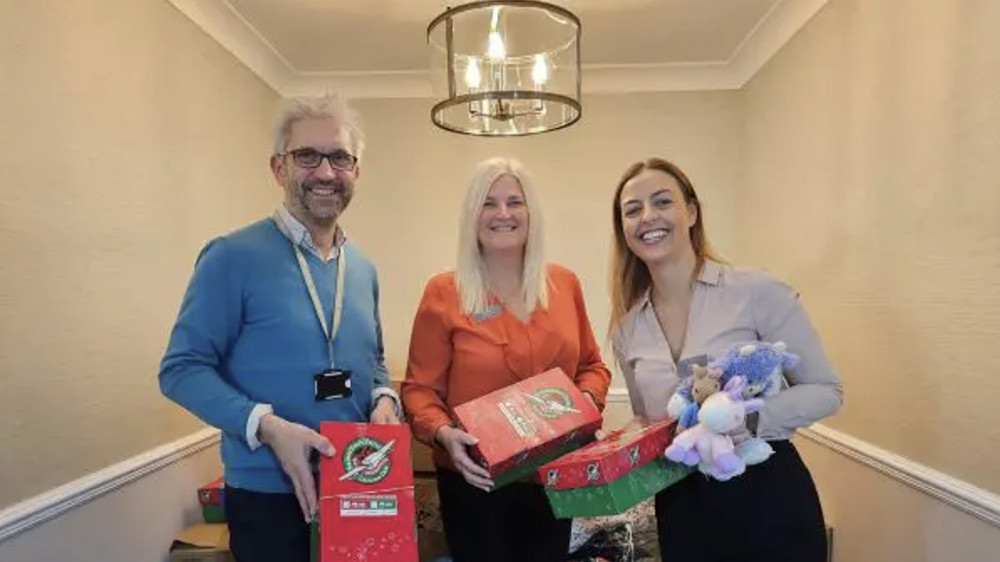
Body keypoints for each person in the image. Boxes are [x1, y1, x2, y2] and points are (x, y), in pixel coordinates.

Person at [159, 95, 401, 562]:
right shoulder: (231, 256)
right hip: (266, 493)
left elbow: (375, 364)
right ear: (278, 167)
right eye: (307, 156)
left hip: (355, 484)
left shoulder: (365, 269)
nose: (326, 173)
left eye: (339, 157)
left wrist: (385, 399)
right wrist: (267, 426)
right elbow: (180, 369)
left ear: (356, 171)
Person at [608, 157, 843, 562]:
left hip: (768, 498)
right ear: (624, 229)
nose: (648, 217)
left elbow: (826, 391)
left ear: (692, 213)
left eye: (662, 202)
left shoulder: (756, 291)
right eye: (633, 210)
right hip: (682, 510)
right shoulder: (626, 330)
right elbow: (650, 424)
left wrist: (747, 420)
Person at [402, 157, 612, 562]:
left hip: (553, 477)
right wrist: (444, 433)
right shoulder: (443, 292)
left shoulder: (564, 284)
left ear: (530, 213)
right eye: (488, 203)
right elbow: (419, 391)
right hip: (475, 482)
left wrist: (584, 402)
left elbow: (593, 367)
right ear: (471, 215)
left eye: (514, 202)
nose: (503, 214)